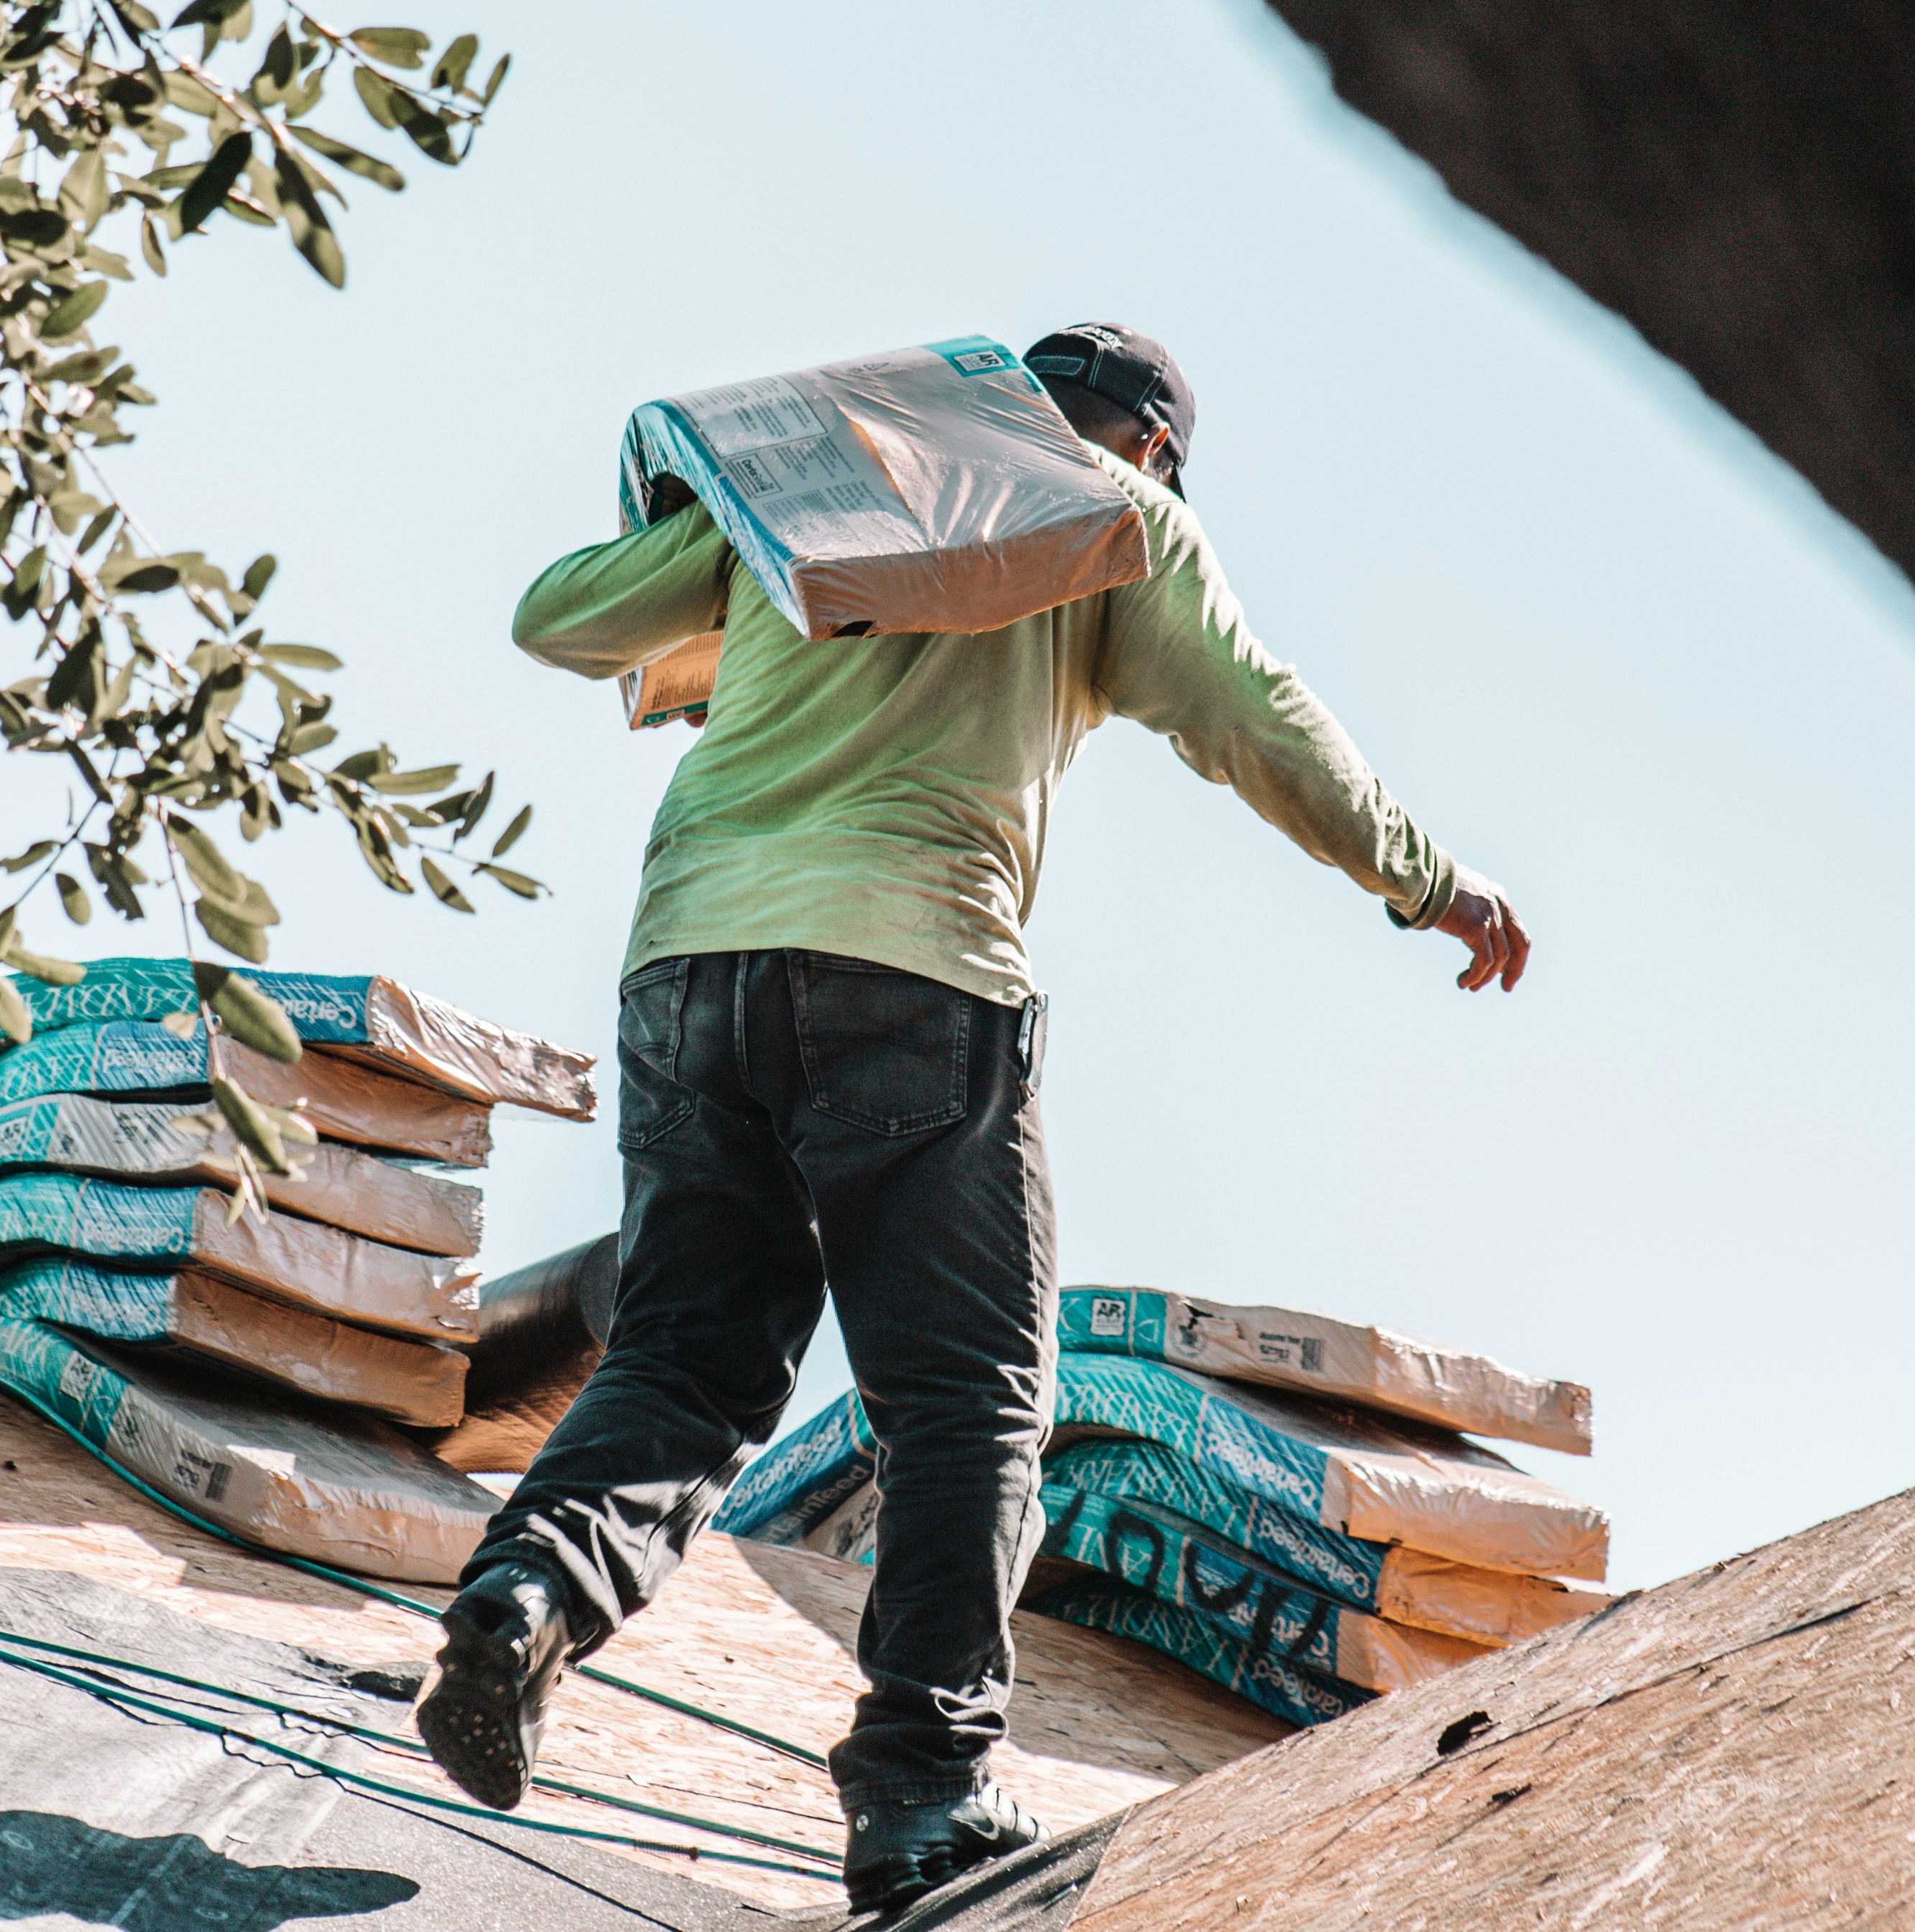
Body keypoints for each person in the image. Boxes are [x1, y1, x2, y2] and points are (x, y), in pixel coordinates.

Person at [417, 323, 1531, 1913]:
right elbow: (1254, 717)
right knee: (972, 1396)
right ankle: (923, 1789)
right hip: (914, 973)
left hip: (688, 968)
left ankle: (529, 1586)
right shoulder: (1120, 522)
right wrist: (1429, 877)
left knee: (685, 1353)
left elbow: (556, 618)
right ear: (1146, 447)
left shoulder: (826, 490)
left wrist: (714, 522)